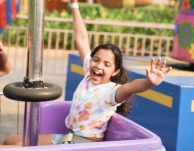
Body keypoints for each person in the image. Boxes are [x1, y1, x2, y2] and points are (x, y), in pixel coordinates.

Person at [2, 0, 172, 147]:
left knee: (14, 147)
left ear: (115, 71)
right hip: (68, 137)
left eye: (107, 64)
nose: (98, 65)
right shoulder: (89, 75)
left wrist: (150, 82)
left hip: (83, 144)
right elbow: (82, 39)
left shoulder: (112, 92)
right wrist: (74, 4)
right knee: (10, 140)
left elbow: (131, 88)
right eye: (96, 60)